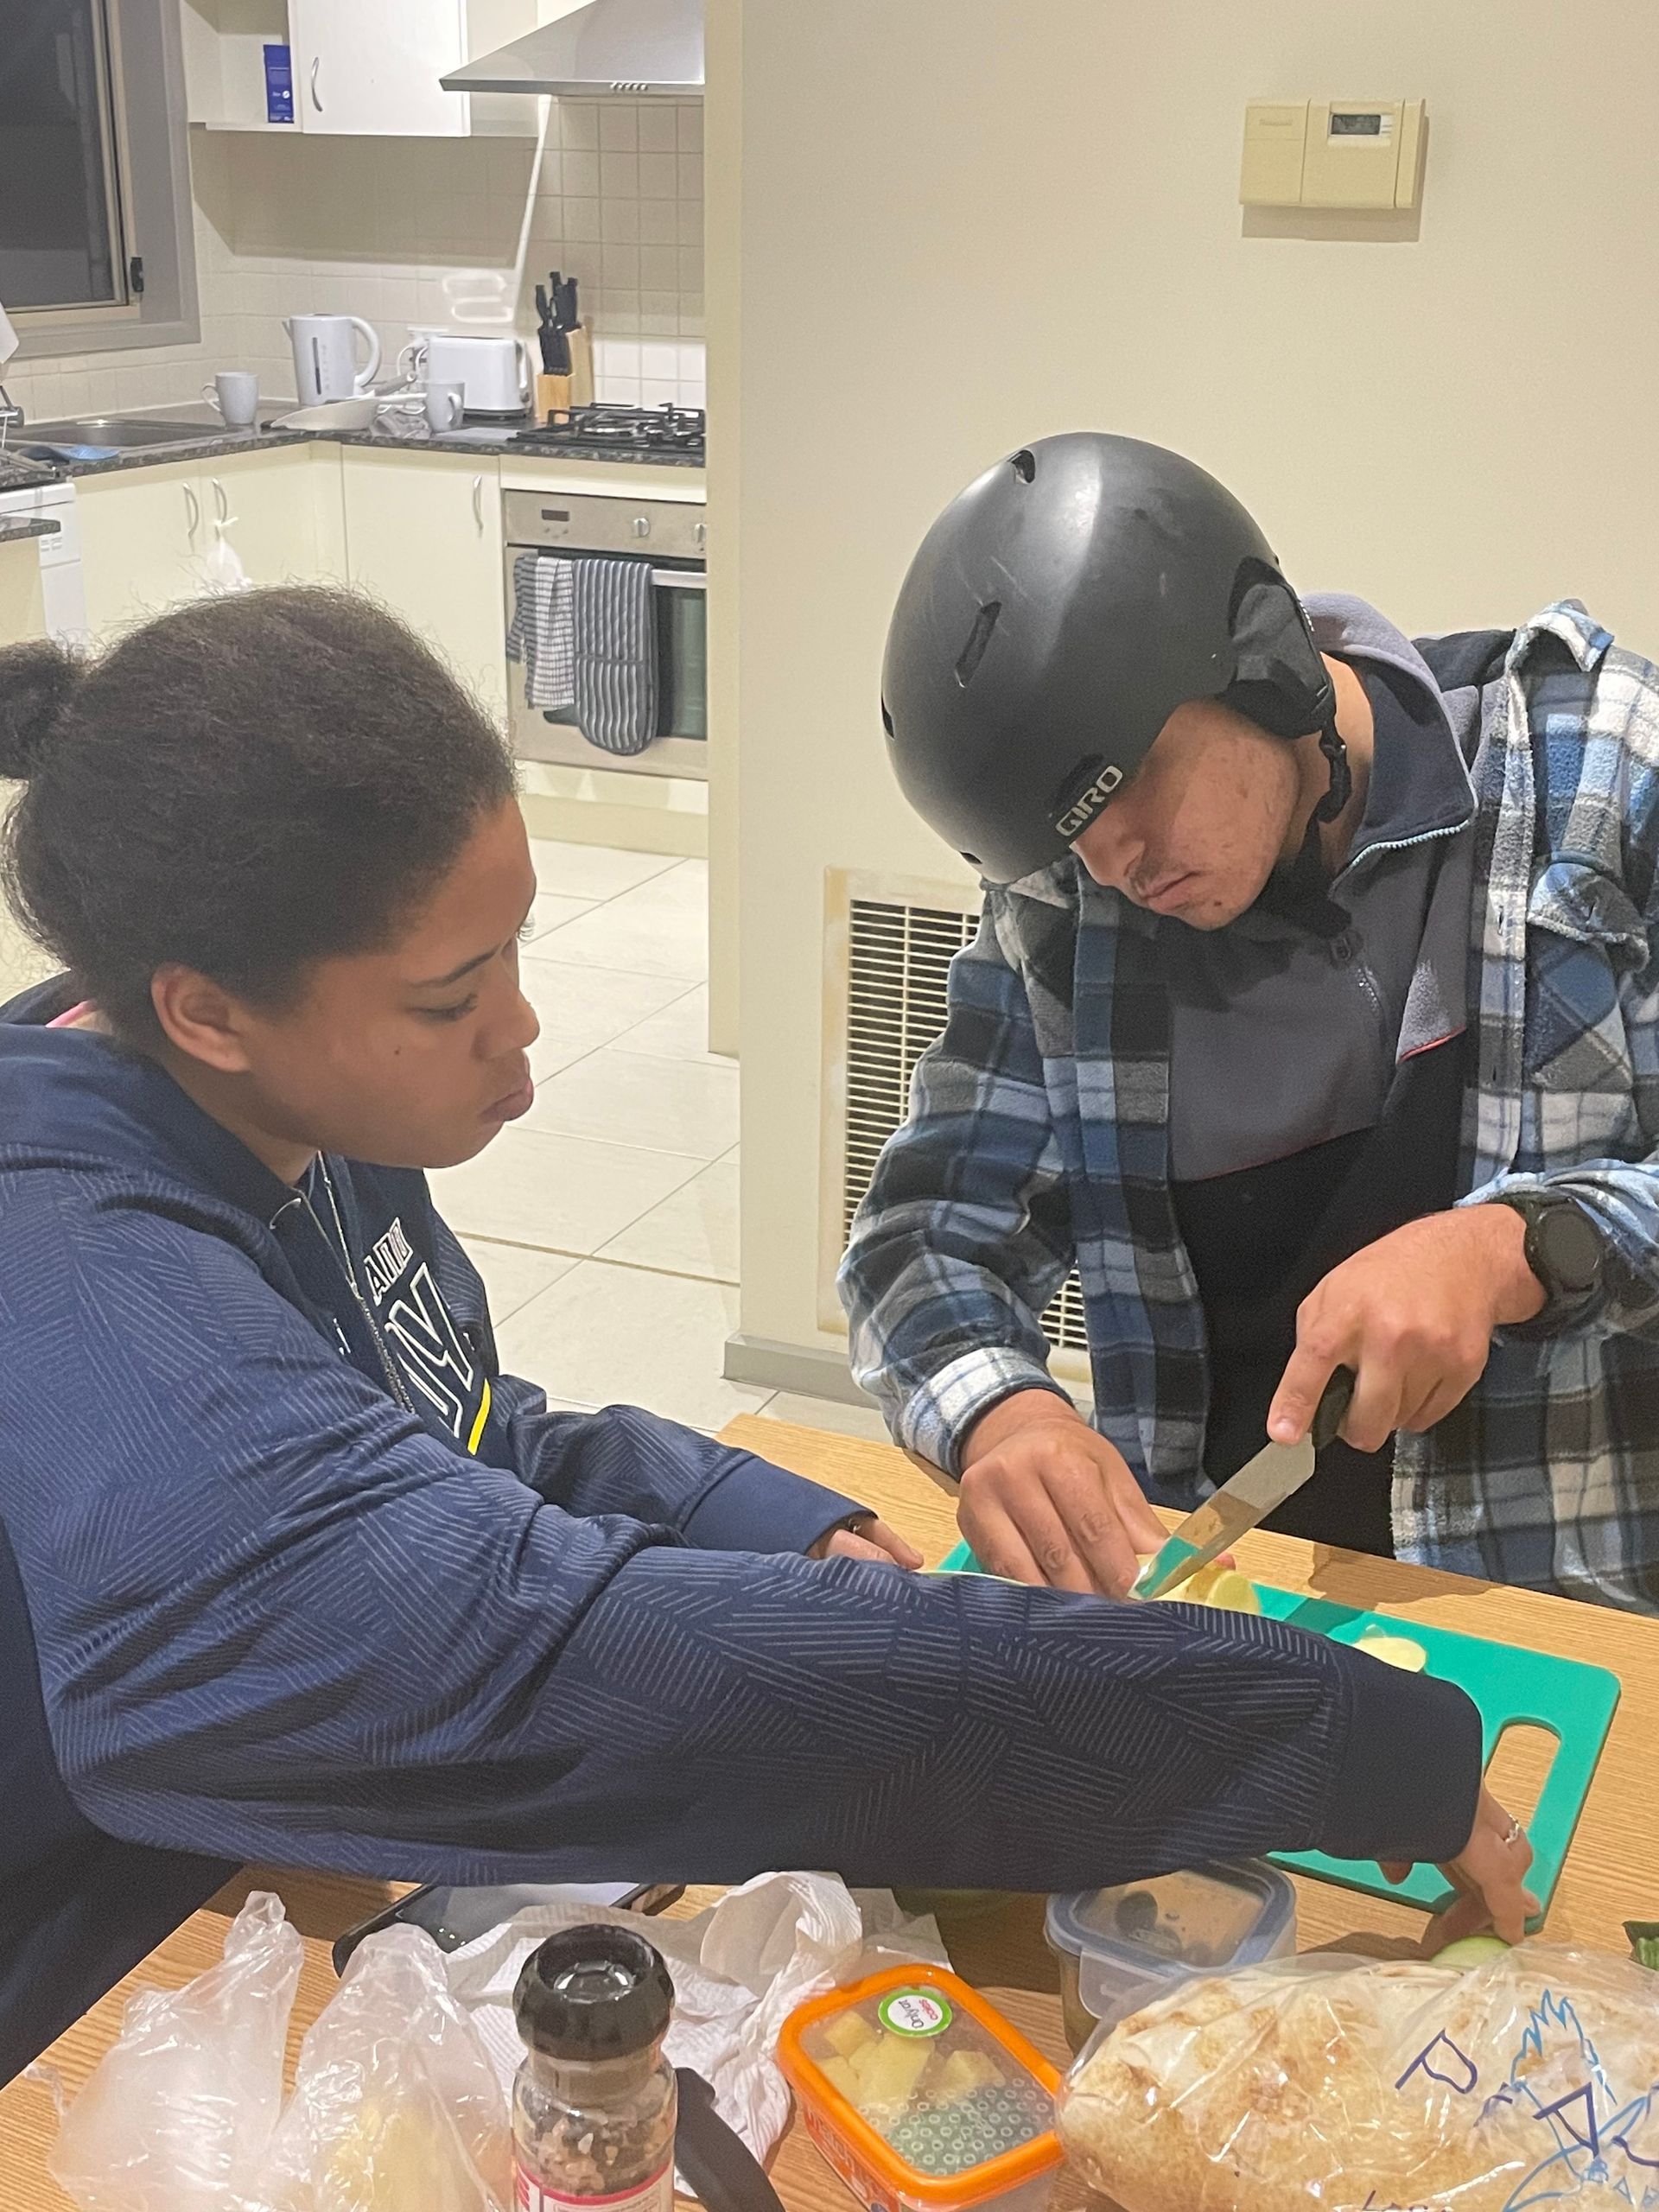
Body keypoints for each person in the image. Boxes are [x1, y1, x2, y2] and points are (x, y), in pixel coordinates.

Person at [0, 588, 1529, 2084]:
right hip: (97, 1998)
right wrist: (1323, 1736)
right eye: (453, 996)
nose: (521, 1026)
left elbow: (453, 1433)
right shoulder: (79, 1282)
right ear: (207, 1011)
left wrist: (768, 1520)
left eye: (517, 951)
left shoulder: (278, 1097)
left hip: (268, 1882)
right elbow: (540, 1650)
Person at [843, 431, 1659, 1613]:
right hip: (1227, 1598)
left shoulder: (1598, 775)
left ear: (1259, 661)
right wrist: (1001, 1412)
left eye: (1128, 792)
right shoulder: (1067, 913)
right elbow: (919, 1241)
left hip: (1550, 1610)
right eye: (1071, 839)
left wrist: (1523, 1250)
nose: (1114, 866)